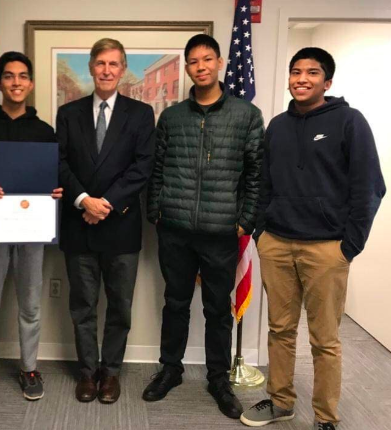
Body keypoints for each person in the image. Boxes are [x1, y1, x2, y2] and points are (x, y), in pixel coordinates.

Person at [241, 47, 386, 430]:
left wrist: (349, 246)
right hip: (277, 243)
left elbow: (370, 187)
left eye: (312, 72)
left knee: (324, 339)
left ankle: (325, 417)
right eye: (295, 71)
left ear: (328, 81)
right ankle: (280, 402)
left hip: (326, 249)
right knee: (280, 330)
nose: (302, 78)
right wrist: (260, 230)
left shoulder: (349, 122)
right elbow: (264, 184)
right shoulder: (277, 125)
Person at [143, 34, 264, 419]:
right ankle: (170, 370)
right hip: (175, 230)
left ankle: (218, 379)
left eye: (207, 59)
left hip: (221, 234)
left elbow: (256, 174)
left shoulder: (246, 115)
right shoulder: (173, 117)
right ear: (188, 67)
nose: (201, 66)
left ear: (220, 62)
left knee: (217, 310)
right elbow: (157, 169)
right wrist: (156, 212)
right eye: (193, 61)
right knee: (175, 303)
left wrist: (244, 221)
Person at [57, 38, 155, 404]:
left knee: (120, 308)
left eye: (114, 64)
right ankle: (87, 372)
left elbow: (142, 167)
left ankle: (110, 372)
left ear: (123, 68)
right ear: (91, 67)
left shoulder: (141, 114)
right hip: (78, 225)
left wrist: (106, 203)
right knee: (82, 306)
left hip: (122, 227)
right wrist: (84, 200)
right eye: (101, 63)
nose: (107, 70)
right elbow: (60, 163)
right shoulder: (69, 114)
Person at [0, 51, 62, 403]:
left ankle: (29, 368)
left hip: (32, 230)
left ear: (31, 83)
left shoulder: (45, 131)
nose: (16, 82)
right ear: (0, 82)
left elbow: (51, 178)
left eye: (22, 76)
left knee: (31, 305)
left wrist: (55, 192)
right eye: (8, 76)